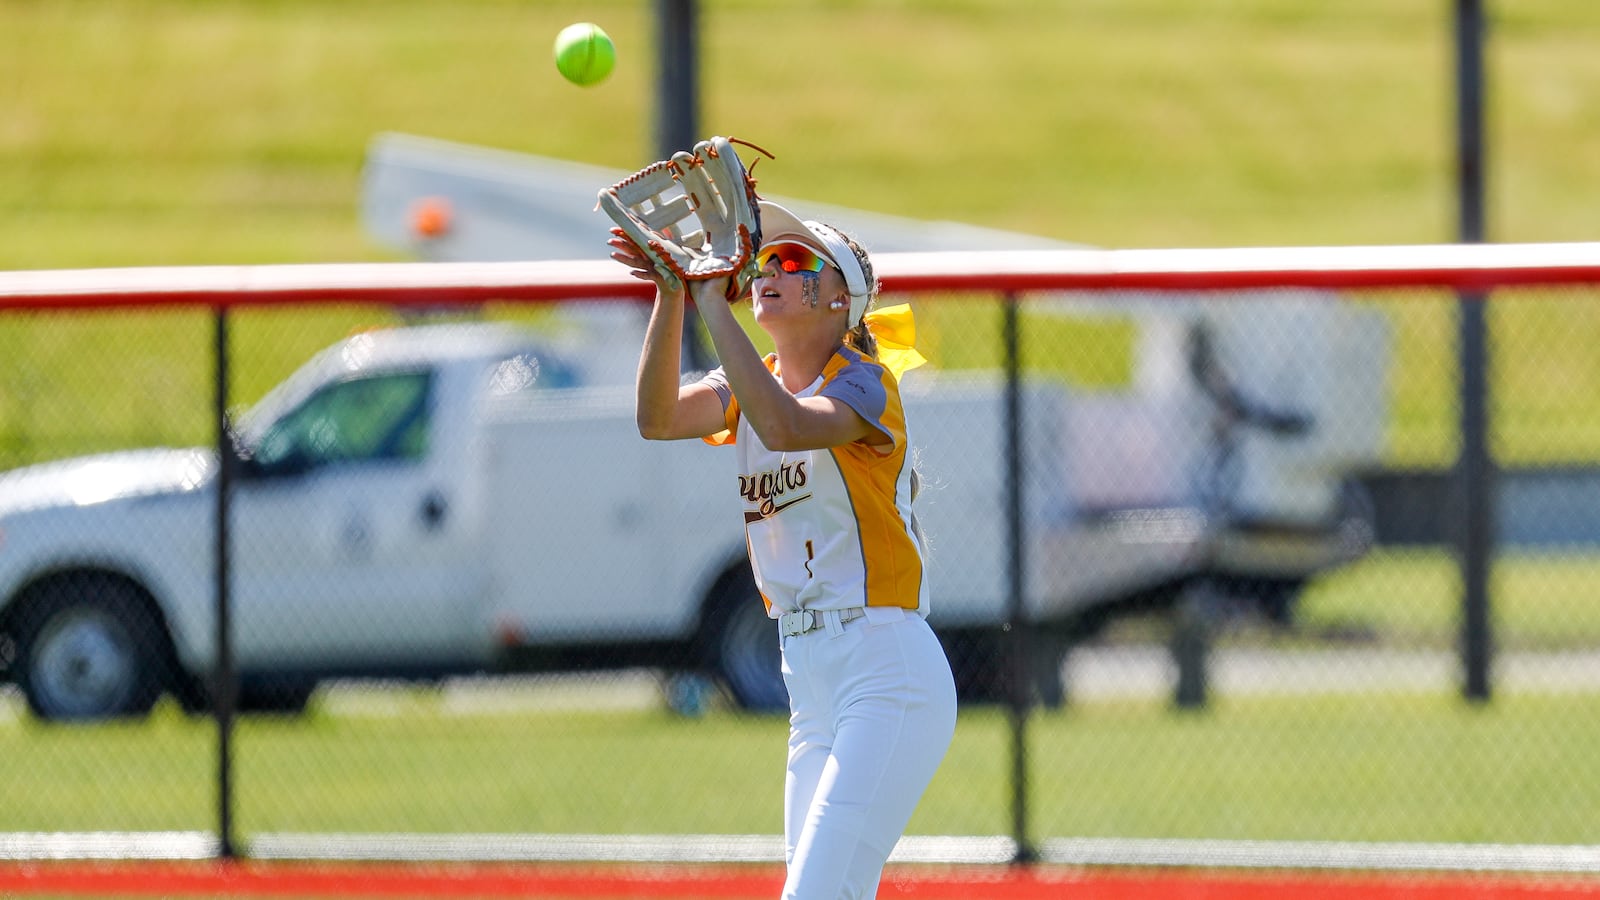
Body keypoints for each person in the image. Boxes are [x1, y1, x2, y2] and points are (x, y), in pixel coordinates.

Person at [610, 201, 958, 899]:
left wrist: (713, 300)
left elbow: (783, 424)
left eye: (795, 261)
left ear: (840, 298)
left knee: (814, 895)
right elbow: (656, 418)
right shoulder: (754, 379)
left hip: (884, 667)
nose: (770, 268)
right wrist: (671, 293)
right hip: (810, 678)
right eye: (767, 260)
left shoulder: (864, 381)